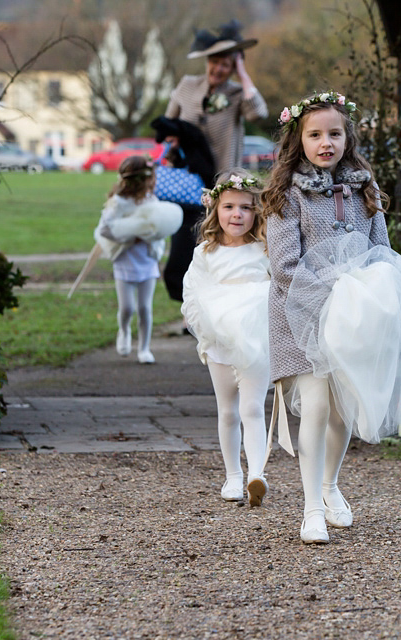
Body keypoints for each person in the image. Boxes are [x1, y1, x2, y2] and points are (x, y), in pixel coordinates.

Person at [260, 92, 401, 544]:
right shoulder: (286, 195)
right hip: (299, 314)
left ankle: (330, 484)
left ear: (347, 137)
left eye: (334, 134)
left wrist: (377, 292)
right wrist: (333, 294)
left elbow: (381, 252)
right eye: (315, 135)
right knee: (316, 405)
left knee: (342, 410)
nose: (326, 143)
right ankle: (310, 509)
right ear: (299, 140)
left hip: (353, 320)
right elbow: (284, 267)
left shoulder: (364, 189)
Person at [181, 169, 270, 506]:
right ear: (215, 210)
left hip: (256, 336)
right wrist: (201, 322)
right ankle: (233, 474)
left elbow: (279, 287)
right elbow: (192, 293)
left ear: (256, 211)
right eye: (229, 206)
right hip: (219, 336)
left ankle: (256, 475)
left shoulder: (264, 249)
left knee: (253, 407)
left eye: (246, 208)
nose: (237, 214)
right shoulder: (206, 252)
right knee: (228, 410)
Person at [165, 20, 268, 175]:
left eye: (225, 65)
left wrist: (243, 75)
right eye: (214, 62)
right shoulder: (187, 84)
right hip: (186, 174)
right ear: (207, 62)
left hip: (223, 177)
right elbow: (167, 124)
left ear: (232, 69)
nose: (218, 69)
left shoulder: (238, 93)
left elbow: (258, 114)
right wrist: (174, 137)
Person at [94, 156, 166, 364]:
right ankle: (124, 329)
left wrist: (151, 235)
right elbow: (104, 230)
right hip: (125, 259)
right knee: (127, 308)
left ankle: (144, 348)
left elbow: (159, 226)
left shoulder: (151, 201)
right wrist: (130, 236)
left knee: (145, 308)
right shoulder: (117, 203)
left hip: (146, 259)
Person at [150, 116, 216, 303]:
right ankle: (186, 307)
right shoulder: (178, 154)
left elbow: (206, 174)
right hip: (178, 211)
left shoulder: (195, 156)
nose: (169, 144)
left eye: (171, 140)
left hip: (192, 213)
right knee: (181, 257)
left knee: (185, 258)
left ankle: (189, 308)